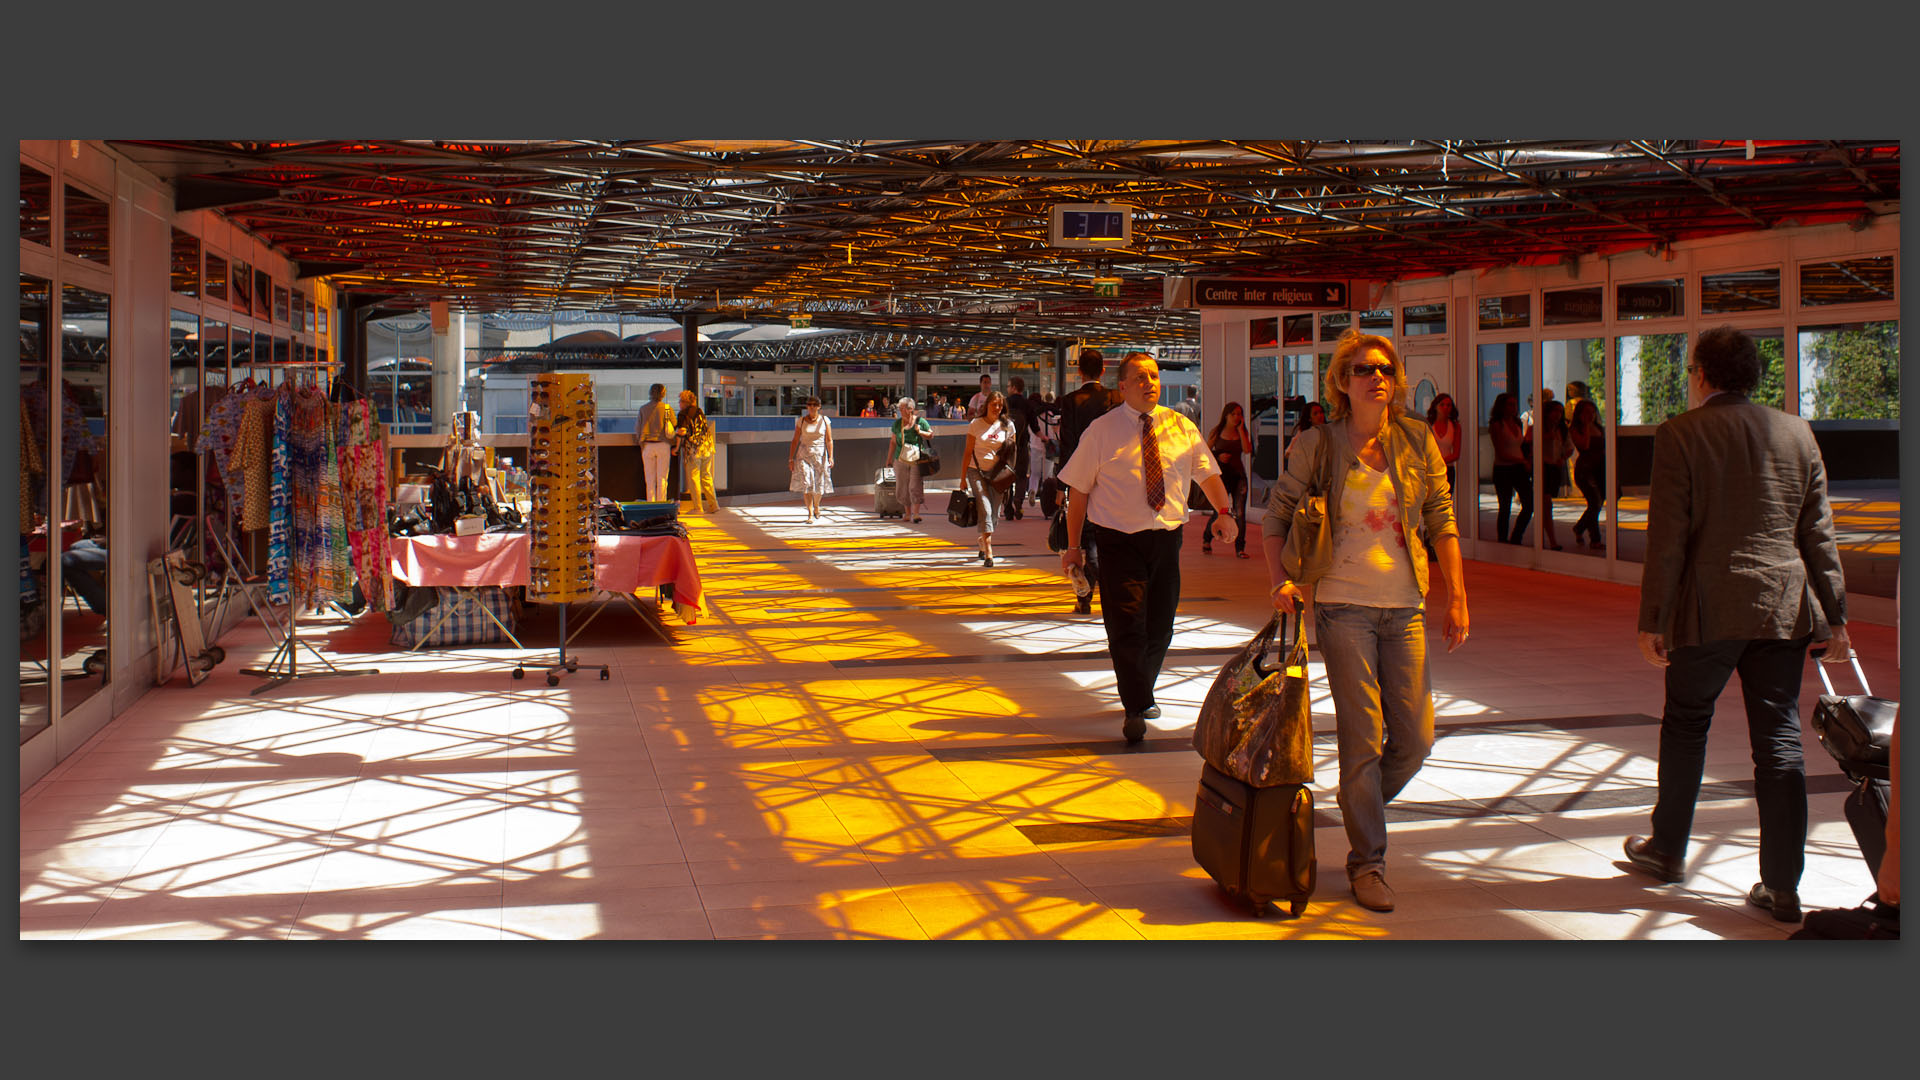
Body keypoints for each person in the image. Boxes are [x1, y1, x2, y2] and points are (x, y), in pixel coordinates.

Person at [1623, 326, 1852, 925]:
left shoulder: (1680, 434)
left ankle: (1667, 850)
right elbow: (1818, 536)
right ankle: (1782, 886)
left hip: (1707, 608)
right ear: (1753, 375)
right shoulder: (1798, 433)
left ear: (1701, 374)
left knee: (1687, 722)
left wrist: (1654, 619)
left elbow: (1668, 536)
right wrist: (1836, 616)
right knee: (1778, 739)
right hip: (1782, 607)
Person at [1264, 331, 1470, 913]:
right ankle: (1368, 862)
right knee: (1362, 737)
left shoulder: (1416, 439)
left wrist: (1456, 594)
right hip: (1342, 603)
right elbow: (1276, 517)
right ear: (1342, 383)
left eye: (1383, 368)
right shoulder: (1318, 445)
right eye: (1362, 370)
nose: (1375, 377)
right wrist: (1278, 580)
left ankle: (1360, 802)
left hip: (1405, 603)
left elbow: (1441, 517)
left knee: (1415, 738)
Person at [1059, 352, 1238, 746]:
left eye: (1154, 376)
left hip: (1165, 540)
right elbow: (1079, 492)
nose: (1149, 383)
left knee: (1160, 626)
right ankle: (1136, 705)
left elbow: (1207, 474)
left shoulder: (1180, 427)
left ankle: (1141, 689)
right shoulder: (1101, 432)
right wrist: (1073, 547)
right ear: (1121, 386)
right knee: (1126, 626)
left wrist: (1224, 513)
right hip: (1117, 542)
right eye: (1140, 377)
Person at [1057, 348, 1124, 615]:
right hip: (1113, 476)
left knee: (1088, 538)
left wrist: (1063, 486)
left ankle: (1086, 597)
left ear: (1079, 372)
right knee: (1103, 533)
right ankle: (1098, 593)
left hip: (1082, 477)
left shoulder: (1071, 400)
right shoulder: (1115, 397)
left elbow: (1067, 443)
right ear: (1103, 371)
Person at [963, 391, 1017, 566]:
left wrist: (1010, 475)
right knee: (985, 507)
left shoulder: (1008, 426)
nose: (997, 408)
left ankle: (982, 539)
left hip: (998, 475)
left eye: (1000, 405)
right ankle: (988, 551)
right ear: (986, 405)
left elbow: (1012, 453)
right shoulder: (975, 424)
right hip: (976, 471)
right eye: (994, 404)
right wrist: (962, 478)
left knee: (994, 512)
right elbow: (967, 452)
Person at [1202, 401, 1253, 558]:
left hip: (1238, 476)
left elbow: (1247, 450)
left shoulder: (1242, 432)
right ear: (1226, 415)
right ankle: (1207, 538)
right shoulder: (1217, 432)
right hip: (1222, 477)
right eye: (1234, 414)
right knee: (1219, 511)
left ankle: (1240, 548)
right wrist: (1219, 456)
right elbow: (1205, 451)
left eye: (1239, 414)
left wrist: (1241, 430)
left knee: (1239, 512)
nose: (1237, 417)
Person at [1488, 391, 1532, 544]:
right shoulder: (1496, 424)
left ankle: (1516, 536)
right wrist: (1522, 460)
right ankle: (1503, 539)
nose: (1513, 408)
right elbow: (1501, 452)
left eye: (1514, 404)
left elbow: (1519, 445)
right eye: (1510, 405)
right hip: (1503, 469)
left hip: (1518, 468)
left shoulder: (1517, 423)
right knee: (1505, 506)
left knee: (1529, 503)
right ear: (1502, 406)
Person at [787, 397, 834, 522]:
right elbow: (795, 440)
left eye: (815, 405)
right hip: (804, 455)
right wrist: (791, 459)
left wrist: (831, 456)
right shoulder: (801, 421)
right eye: (809, 405)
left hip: (820, 455)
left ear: (819, 407)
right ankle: (810, 513)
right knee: (807, 483)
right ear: (807, 407)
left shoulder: (825, 421)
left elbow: (829, 440)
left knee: (819, 486)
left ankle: (817, 506)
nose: (812, 407)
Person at [672, 389, 718, 515]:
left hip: (693, 450)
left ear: (685, 402)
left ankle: (698, 508)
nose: (679, 403)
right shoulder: (699, 411)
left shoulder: (683, 414)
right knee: (706, 476)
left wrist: (676, 448)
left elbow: (682, 431)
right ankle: (713, 505)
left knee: (694, 478)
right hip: (707, 447)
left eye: (680, 401)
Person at [887, 396, 932, 523]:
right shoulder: (897, 424)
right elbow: (893, 442)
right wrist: (889, 459)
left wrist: (921, 432)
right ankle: (907, 513)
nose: (900, 411)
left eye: (902, 408)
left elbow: (931, 434)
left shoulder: (920, 421)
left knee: (915, 485)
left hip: (916, 459)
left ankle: (916, 513)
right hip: (900, 459)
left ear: (910, 409)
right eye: (900, 408)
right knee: (902, 486)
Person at [1568, 397, 1606, 549]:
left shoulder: (1599, 428)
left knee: (1598, 502)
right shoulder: (1576, 429)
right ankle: (1595, 538)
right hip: (1585, 469)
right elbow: (1584, 445)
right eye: (1587, 412)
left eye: (1593, 412)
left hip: (1599, 467)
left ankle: (1580, 527)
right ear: (1580, 414)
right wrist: (1587, 427)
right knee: (1594, 502)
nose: (1591, 415)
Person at [1537, 398, 1570, 551]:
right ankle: (1552, 540)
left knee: (1547, 503)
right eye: (1555, 411)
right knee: (1546, 503)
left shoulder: (1562, 429)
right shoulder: (1539, 429)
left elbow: (1569, 448)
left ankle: (1549, 538)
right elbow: (1531, 445)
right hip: (1542, 467)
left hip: (1555, 467)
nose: (1557, 415)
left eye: (1560, 412)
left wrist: (1562, 458)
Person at [635, 383, 676, 503]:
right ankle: (661, 504)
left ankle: (651, 503)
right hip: (663, 445)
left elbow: (638, 428)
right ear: (663, 394)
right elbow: (674, 425)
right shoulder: (667, 408)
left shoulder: (643, 409)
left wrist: (641, 442)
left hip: (647, 445)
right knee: (662, 478)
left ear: (650, 393)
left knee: (649, 479)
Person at [1003, 377, 1033, 519]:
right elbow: (1035, 426)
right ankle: (1019, 500)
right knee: (1021, 476)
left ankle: (1008, 508)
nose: (1008, 389)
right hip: (1022, 445)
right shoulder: (1027, 404)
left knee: (1007, 477)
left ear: (1014, 387)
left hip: (1007, 448)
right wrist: (1044, 438)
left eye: (1009, 386)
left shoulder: (1006, 403)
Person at [1425, 393, 1462, 495]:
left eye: (1449, 405)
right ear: (1435, 407)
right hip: (1430, 470)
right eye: (1442, 405)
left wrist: (1440, 463)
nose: (1445, 408)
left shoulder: (1455, 426)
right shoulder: (1428, 424)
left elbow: (1456, 454)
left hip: (1447, 470)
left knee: (1445, 503)